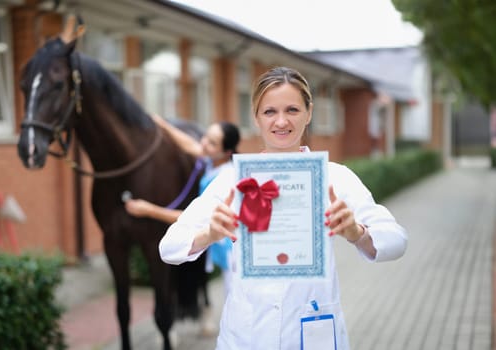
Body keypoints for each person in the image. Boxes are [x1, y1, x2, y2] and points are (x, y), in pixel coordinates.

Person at [158, 66, 407, 349]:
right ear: (255, 117)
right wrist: (209, 234)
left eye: (292, 109)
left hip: (313, 331)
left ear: (309, 113)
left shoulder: (334, 177)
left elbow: (397, 240)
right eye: (269, 112)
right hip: (246, 334)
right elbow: (169, 248)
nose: (281, 121)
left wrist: (356, 232)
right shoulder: (231, 179)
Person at [125, 115, 241, 297]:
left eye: (212, 143)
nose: (203, 144)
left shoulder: (225, 176)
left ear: (226, 152)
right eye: (205, 137)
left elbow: (191, 217)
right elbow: (188, 144)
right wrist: (162, 124)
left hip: (229, 248)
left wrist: (148, 210)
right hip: (217, 240)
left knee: (232, 295)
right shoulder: (214, 160)